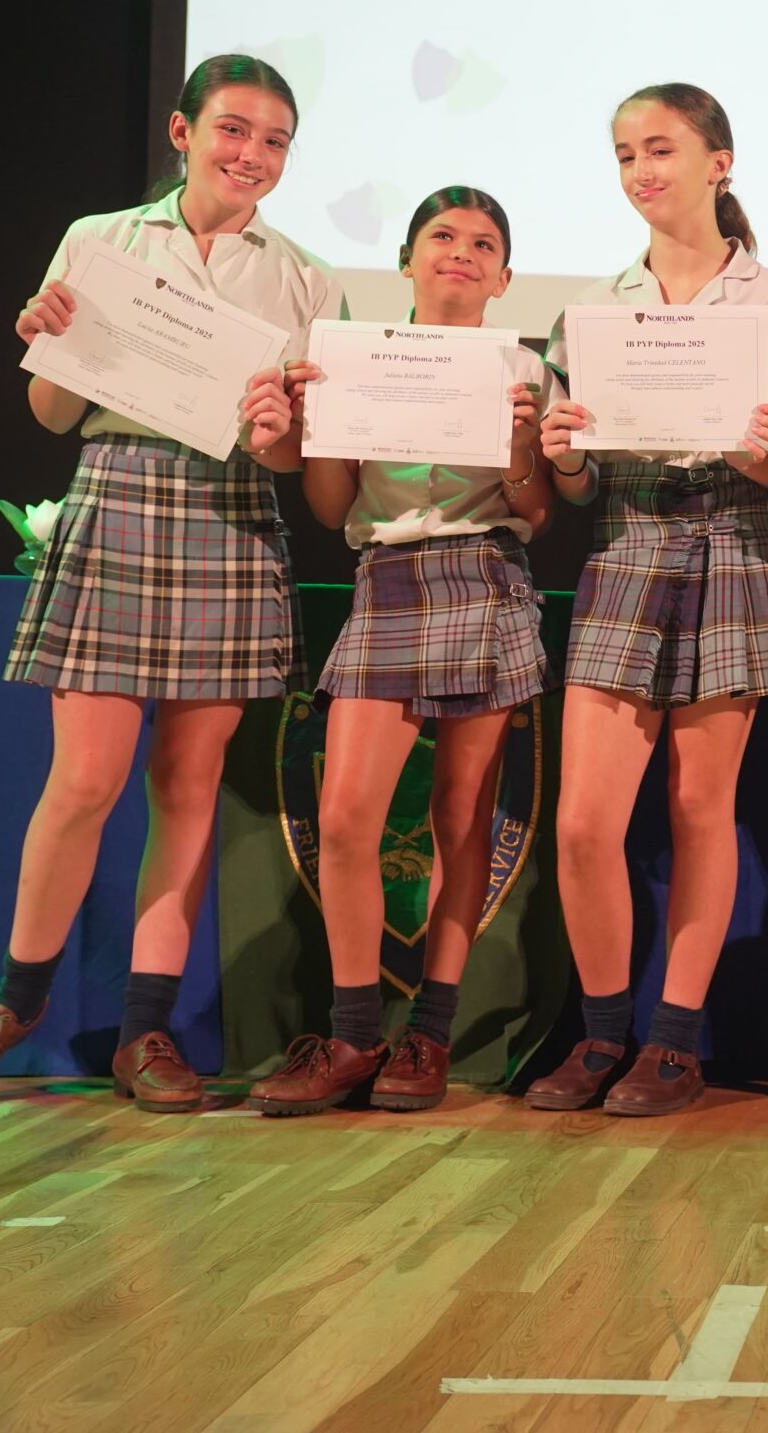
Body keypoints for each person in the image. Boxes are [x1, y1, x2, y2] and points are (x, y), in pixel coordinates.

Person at [0, 55, 321, 1109]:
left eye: (275, 140)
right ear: (183, 132)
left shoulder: (303, 276)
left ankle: (145, 1032)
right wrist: (49, 339)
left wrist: (279, 430)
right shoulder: (102, 242)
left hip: (231, 511)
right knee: (86, 780)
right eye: (234, 129)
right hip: (118, 490)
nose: (252, 155)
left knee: (188, 786)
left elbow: (292, 459)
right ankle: (16, 1001)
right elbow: (54, 415)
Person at [523, 84, 768, 1116]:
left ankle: (675, 1044)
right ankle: (602, 1034)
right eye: (625, 155)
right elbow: (575, 487)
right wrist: (564, 457)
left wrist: (755, 447)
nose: (641, 171)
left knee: (701, 810)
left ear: (717, 162)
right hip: (627, 540)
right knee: (582, 823)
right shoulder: (594, 306)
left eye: (660, 149)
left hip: (733, 536)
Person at [246, 188, 551, 1115]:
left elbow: (536, 509)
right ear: (407, 260)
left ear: (505, 277)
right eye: (443, 236)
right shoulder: (354, 359)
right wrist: (312, 431)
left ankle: (430, 1033)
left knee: (462, 817)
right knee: (345, 817)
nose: (461, 252)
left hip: (484, 572)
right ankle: (353, 1034)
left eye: (484, 244)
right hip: (384, 576)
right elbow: (332, 507)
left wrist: (521, 442)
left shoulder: (526, 369)